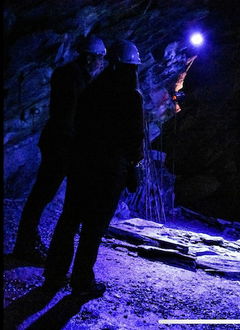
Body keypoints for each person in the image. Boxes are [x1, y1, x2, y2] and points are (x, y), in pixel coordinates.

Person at [43, 40, 144, 298]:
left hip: (82, 164)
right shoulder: (132, 96)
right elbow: (134, 138)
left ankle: (54, 273)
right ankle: (81, 281)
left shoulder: (92, 88)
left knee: (69, 219)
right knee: (93, 228)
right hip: (110, 172)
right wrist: (134, 166)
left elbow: (79, 123)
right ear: (129, 67)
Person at [12, 35, 107, 264]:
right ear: (88, 58)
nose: (101, 64)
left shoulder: (72, 75)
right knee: (42, 194)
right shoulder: (74, 78)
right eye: (99, 59)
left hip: (59, 141)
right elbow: (69, 116)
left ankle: (26, 242)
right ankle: (25, 245)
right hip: (61, 144)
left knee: (42, 194)